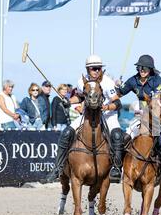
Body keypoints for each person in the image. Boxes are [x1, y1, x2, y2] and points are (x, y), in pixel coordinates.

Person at [41, 55, 123, 184]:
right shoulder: (81, 81)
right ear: (87, 69)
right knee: (66, 133)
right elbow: (80, 97)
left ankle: (116, 169)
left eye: (99, 68)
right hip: (87, 115)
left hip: (107, 115)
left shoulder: (107, 82)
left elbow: (117, 103)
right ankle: (57, 168)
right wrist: (68, 101)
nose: (96, 71)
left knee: (117, 135)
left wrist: (106, 107)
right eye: (93, 68)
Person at [117, 54, 161, 193]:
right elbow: (119, 94)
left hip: (155, 117)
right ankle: (117, 169)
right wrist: (117, 87)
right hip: (140, 118)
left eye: (145, 67)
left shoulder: (157, 81)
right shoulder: (133, 80)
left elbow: (157, 101)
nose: (142, 70)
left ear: (150, 69)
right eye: (140, 67)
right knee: (125, 139)